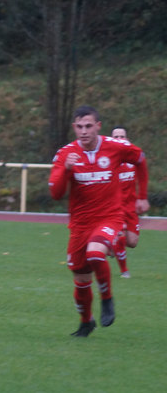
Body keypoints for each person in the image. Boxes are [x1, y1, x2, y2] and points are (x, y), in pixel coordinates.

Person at [49, 106, 149, 337]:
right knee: (81, 280)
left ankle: (107, 298)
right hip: (80, 225)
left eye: (88, 126)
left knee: (95, 253)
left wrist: (142, 196)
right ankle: (86, 322)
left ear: (98, 126)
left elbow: (140, 159)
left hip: (110, 217)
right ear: (74, 127)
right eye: (79, 127)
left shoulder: (115, 147)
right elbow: (55, 193)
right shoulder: (66, 154)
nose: (84, 131)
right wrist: (66, 170)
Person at [111, 126, 144, 278]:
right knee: (121, 234)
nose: (119, 139)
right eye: (116, 136)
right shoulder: (109, 161)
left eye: (122, 136)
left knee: (132, 242)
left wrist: (142, 198)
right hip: (115, 207)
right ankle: (125, 271)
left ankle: (109, 244)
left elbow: (142, 174)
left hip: (131, 207)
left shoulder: (133, 158)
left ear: (127, 139)